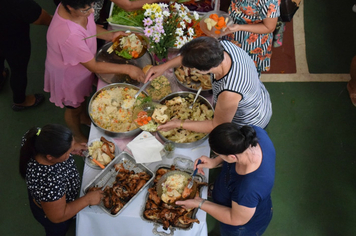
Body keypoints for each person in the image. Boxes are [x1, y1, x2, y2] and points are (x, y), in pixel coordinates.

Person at [44, 0, 146, 143]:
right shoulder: (69, 35)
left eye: (92, 6)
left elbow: (89, 28)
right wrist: (128, 68)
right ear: (69, 7)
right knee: (73, 107)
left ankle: (84, 117)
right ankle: (77, 135)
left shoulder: (78, 10)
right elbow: (94, 67)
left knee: (81, 99)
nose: (92, 11)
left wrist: (111, 36)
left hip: (81, 65)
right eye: (86, 9)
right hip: (69, 75)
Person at [145, 36, 272, 134]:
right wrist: (164, 66)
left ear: (203, 71)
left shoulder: (230, 91)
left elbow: (217, 125)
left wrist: (179, 123)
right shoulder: (222, 47)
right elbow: (191, 55)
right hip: (258, 95)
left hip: (249, 120)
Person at [176, 123, 276, 236]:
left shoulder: (249, 187)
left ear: (232, 157)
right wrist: (215, 162)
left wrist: (200, 203)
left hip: (242, 224)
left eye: (218, 154)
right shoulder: (251, 134)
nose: (216, 156)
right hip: (236, 197)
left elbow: (235, 219)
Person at [19, 124, 103, 236]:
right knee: (58, 230)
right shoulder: (49, 182)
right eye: (68, 152)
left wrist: (72, 146)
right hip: (55, 214)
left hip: (54, 198)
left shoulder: (38, 137)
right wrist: (87, 199)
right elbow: (58, 216)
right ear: (50, 157)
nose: (71, 152)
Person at [0, 0, 52, 111]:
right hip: (12, 39)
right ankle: (20, 101)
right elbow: (38, 17)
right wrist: (58, 22)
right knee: (18, 69)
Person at [223, 0, 280, 76]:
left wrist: (239, 27)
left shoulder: (269, 2)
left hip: (252, 41)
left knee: (246, 71)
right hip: (233, 30)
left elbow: (269, 27)